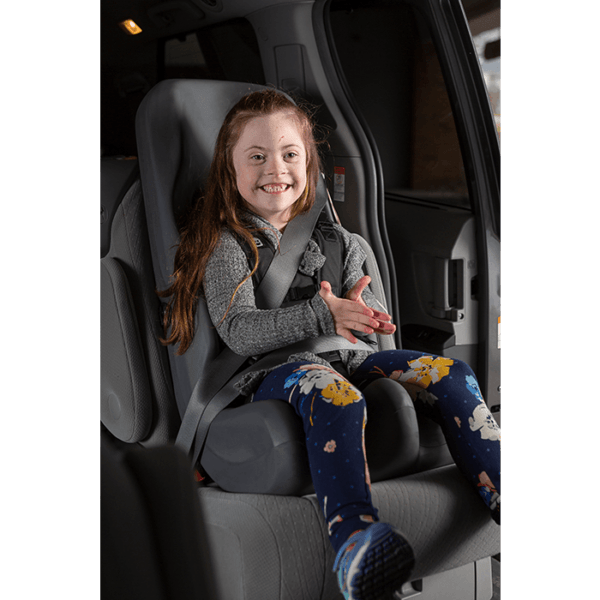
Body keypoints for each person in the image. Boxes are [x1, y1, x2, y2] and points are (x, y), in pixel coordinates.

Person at [159, 89, 501, 600]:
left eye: (289, 154)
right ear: (230, 171)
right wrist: (323, 312)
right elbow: (240, 331)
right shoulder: (228, 244)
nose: (275, 168)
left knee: (449, 373)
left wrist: (365, 318)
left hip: (349, 358)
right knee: (335, 394)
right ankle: (353, 539)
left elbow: (382, 331)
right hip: (274, 372)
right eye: (256, 157)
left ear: (309, 164)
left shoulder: (347, 244)